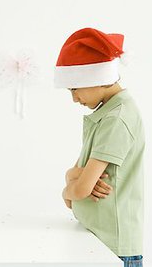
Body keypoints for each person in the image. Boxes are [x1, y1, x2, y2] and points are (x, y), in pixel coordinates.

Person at [55, 28, 144, 267]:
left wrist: (68, 191)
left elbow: (80, 190)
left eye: (74, 89)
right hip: (97, 241)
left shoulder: (117, 118)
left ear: (95, 79)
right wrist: (74, 179)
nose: (74, 98)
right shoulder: (105, 115)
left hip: (113, 248)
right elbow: (74, 173)